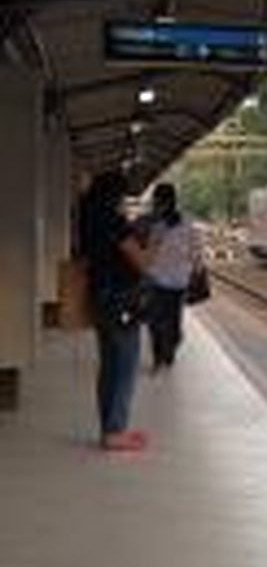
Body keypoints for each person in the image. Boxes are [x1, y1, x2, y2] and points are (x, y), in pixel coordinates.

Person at [79, 170, 150, 452]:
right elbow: (140, 261)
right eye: (123, 196)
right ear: (115, 195)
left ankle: (108, 428)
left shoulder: (86, 218)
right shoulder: (113, 220)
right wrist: (152, 246)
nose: (124, 202)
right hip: (121, 298)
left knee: (109, 364)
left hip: (99, 295)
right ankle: (116, 432)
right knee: (125, 365)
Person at [142, 183, 201, 371]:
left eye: (157, 201)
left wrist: (196, 269)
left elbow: (195, 250)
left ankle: (169, 350)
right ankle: (159, 357)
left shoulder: (186, 223)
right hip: (158, 279)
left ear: (164, 201)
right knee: (155, 321)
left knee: (172, 322)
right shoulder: (157, 225)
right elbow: (150, 253)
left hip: (178, 281)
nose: (155, 205)